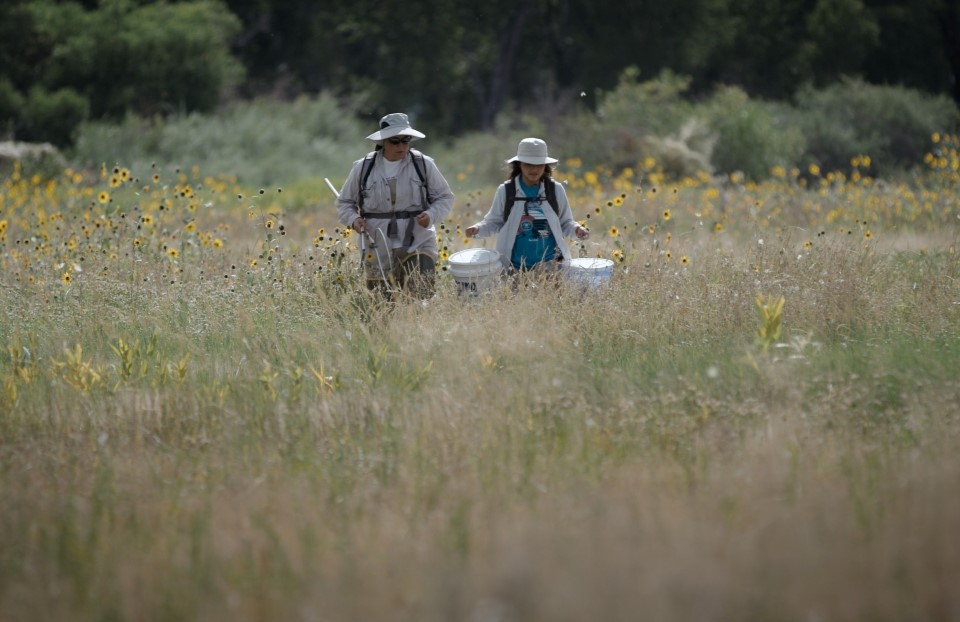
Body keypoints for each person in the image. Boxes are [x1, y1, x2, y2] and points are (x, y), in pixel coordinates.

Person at [337, 112, 454, 298]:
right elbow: (344, 203)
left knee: (421, 292)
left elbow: (444, 197)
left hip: (418, 238)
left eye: (406, 141)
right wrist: (354, 220)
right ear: (383, 141)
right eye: (395, 141)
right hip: (377, 242)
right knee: (381, 298)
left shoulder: (423, 164)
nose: (402, 146)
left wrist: (431, 215)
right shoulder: (363, 167)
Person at [465, 137, 588, 274]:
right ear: (520, 165)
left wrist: (577, 229)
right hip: (515, 267)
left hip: (550, 266)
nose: (534, 169)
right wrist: (477, 229)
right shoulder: (506, 191)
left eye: (539, 164)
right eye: (528, 164)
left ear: (545, 165)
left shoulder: (555, 190)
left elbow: (565, 223)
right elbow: (494, 222)